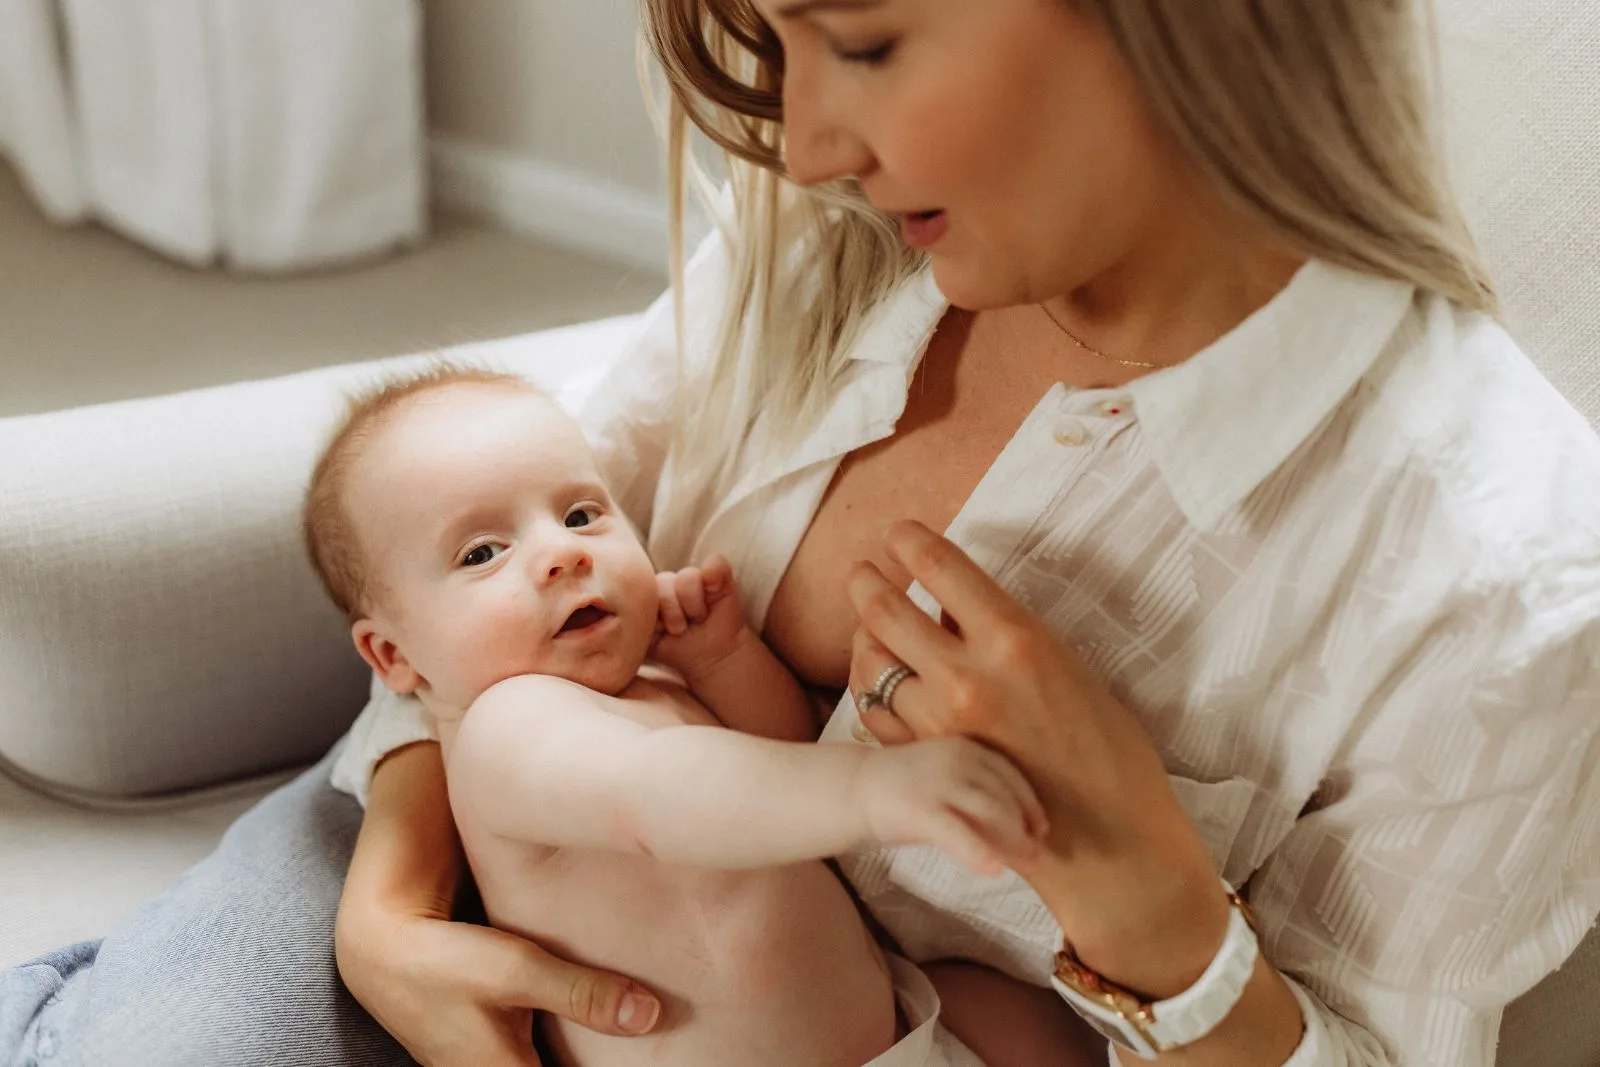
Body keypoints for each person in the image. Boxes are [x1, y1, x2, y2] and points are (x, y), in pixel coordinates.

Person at [5, 2, 1598, 1066]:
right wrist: (396, 900)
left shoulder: (1497, 574)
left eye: (866, 38)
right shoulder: (838, 229)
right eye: (782, 42)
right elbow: (469, 542)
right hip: (463, 872)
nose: (809, 142)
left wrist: (1157, 902)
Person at [300, 366, 1078, 1066]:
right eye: (481, 553)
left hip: (901, 1032)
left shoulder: (649, 677)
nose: (562, 553)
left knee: (1024, 1016)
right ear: (394, 657)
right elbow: (661, 792)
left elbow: (783, 753)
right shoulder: (505, 732)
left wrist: (725, 660)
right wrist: (874, 790)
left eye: (579, 513)